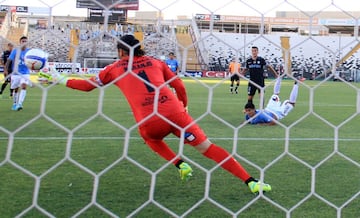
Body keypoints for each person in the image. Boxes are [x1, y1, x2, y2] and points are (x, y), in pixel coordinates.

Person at [43, 34, 271, 194]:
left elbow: (87, 87)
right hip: (176, 113)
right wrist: (183, 107)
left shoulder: (114, 69)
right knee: (208, 149)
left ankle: (179, 164)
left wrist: (59, 79)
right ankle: (251, 182)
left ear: (121, 51)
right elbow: (179, 87)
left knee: (151, 138)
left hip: (150, 120)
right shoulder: (156, 62)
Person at [4, 36, 31, 111]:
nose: (24, 43)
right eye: (23, 41)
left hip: (25, 73)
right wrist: (5, 69)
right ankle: (15, 103)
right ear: (20, 42)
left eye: (26, 41)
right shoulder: (15, 51)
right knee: (15, 89)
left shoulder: (29, 51)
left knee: (24, 86)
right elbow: (9, 60)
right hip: (15, 73)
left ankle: (20, 104)